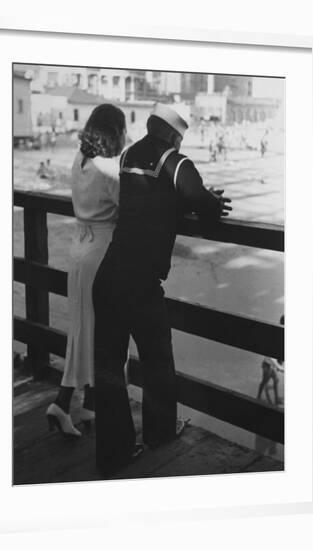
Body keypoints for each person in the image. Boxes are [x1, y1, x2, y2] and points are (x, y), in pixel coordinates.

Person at [92, 102, 232, 476]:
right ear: (174, 134)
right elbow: (203, 203)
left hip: (107, 276)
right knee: (157, 360)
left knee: (107, 367)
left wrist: (192, 197)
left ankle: (114, 450)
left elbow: (151, 198)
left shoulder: (128, 156)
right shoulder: (178, 163)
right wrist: (210, 200)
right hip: (140, 282)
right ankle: (160, 435)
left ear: (151, 125)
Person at [46, 104, 127, 437]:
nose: (126, 136)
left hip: (79, 250)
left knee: (82, 330)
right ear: (114, 133)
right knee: (105, 335)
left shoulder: (80, 162)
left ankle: (84, 405)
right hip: (102, 253)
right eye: (123, 130)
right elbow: (131, 208)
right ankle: (66, 402)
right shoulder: (109, 169)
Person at [257, 314, 284, 406]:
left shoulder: (278, 332)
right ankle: (259, 397)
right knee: (264, 381)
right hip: (268, 365)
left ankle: (276, 399)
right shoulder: (279, 334)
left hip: (270, 364)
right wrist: (279, 366)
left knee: (276, 380)